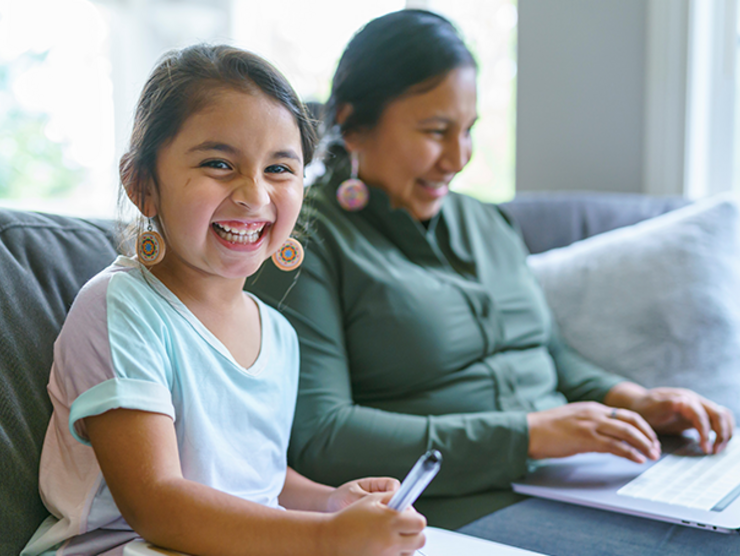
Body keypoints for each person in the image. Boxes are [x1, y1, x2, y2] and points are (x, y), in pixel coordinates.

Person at [245, 10, 735, 529]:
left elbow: (548, 355)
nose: (457, 158)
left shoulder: (485, 222)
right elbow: (322, 437)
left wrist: (634, 402)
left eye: (469, 131)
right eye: (436, 131)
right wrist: (530, 435)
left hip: (581, 480)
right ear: (352, 121)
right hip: (456, 507)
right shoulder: (305, 245)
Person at [21, 45, 427, 556]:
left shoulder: (277, 333)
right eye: (218, 163)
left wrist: (331, 505)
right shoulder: (120, 305)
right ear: (142, 185)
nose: (254, 195)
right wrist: (326, 538)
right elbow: (156, 502)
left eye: (280, 169)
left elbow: (258, 481)